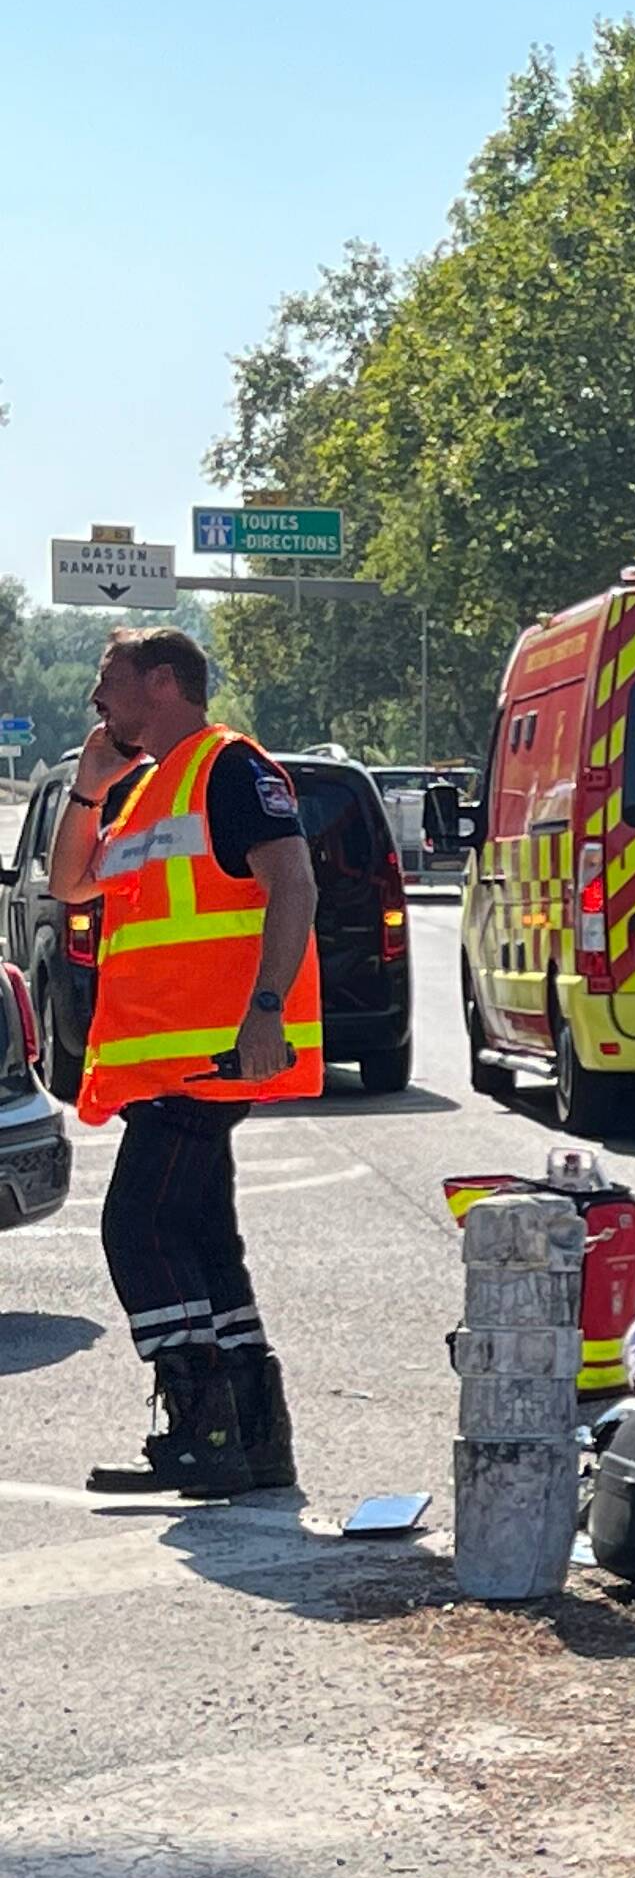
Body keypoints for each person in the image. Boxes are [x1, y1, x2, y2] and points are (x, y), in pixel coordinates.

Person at [51, 628, 322, 1498]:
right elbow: (70, 885)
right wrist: (89, 792)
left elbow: (297, 883)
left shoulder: (230, 767)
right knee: (202, 1236)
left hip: (209, 1053)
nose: (99, 700)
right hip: (166, 1060)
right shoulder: (140, 793)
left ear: (161, 683)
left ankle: (204, 1428)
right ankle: (250, 1438)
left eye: (110, 681)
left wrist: (266, 1011)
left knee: (137, 1229)